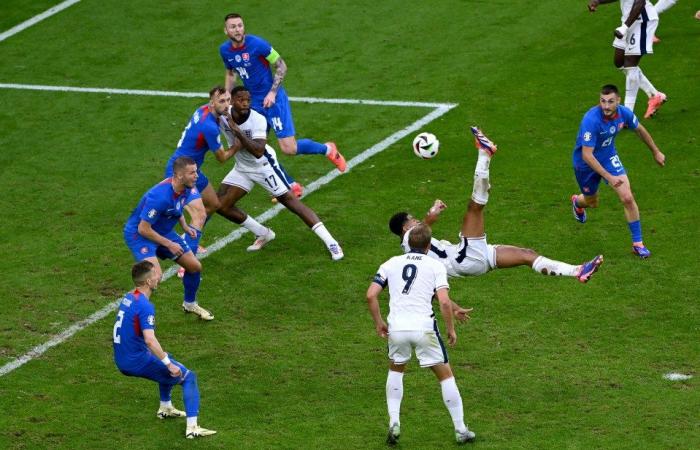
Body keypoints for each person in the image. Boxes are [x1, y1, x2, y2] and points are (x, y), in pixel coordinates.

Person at [390, 127, 604, 281]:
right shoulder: (409, 239)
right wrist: (432, 213)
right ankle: (484, 154)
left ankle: (578, 271)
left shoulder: (411, 244)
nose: (416, 221)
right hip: (462, 259)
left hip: (472, 258)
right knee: (474, 207)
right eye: (412, 220)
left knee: (526, 255)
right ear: (404, 227)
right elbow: (423, 228)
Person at [367, 223, 476, 445]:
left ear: (408, 244)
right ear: (428, 246)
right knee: (445, 375)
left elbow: (371, 295)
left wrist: (379, 323)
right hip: (424, 328)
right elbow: (443, 300)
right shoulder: (435, 266)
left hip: (397, 328)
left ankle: (394, 422)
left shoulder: (390, 263)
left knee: (396, 370)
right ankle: (461, 429)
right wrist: (451, 328)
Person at [216, 86, 344, 260]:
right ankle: (263, 233)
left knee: (291, 202)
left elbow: (258, 151)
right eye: (240, 100)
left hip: (263, 165)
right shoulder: (224, 114)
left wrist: (237, 131)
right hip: (242, 168)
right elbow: (207, 113)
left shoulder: (258, 120)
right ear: (231, 100)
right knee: (220, 205)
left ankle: (332, 243)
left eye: (248, 100)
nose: (245, 103)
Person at [219, 13, 347, 179]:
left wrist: (272, 93)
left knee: (289, 148)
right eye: (233, 27)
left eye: (240, 25)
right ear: (226, 30)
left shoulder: (258, 44)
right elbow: (230, 73)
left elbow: (281, 66)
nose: (237, 30)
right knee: (255, 147)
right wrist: (228, 95)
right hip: (252, 104)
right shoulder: (225, 50)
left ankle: (328, 150)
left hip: (274, 100)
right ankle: (289, 184)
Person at [113, 261, 216, 439]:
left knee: (167, 358)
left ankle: (166, 407)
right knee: (188, 376)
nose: (158, 276)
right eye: (154, 275)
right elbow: (150, 340)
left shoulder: (129, 297)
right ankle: (193, 428)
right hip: (136, 360)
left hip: (123, 356)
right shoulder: (145, 307)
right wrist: (168, 365)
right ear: (147, 282)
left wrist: (166, 360)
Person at [570, 84, 665, 258]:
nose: (606, 106)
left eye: (610, 102)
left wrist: (656, 151)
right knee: (592, 202)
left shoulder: (624, 113)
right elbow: (587, 155)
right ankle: (577, 202)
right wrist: (609, 177)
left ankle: (638, 244)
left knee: (627, 197)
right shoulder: (591, 120)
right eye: (603, 101)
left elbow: (640, 129)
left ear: (618, 101)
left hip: (608, 157)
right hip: (585, 164)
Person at [124, 156, 214, 320]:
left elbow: (176, 207)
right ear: (179, 175)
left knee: (194, 266)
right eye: (192, 172)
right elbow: (143, 228)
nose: (197, 176)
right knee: (153, 278)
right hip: (140, 235)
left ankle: (190, 304)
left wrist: (185, 226)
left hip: (162, 231)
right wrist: (170, 244)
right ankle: (127, 310)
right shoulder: (159, 197)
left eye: (196, 171)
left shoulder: (186, 187)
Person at [165, 86, 239, 260]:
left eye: (229, 100)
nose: (227, 105)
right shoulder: (209, 127)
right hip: (181, 174)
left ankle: (188, 239)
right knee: (199, 214)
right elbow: (221, 158)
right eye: (222, 101)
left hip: (191, 170)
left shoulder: (202, 110)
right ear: (212, 103)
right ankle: (187, 259)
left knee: (213, 204)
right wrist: (238, 145)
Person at [588, 0, 667, 118]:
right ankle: (655, 95)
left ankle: (626, 115)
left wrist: (625, 27)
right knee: (619, 62)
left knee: (630, 65)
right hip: (628, 20)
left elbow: (640, 2)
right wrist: (598, 1)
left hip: (642, 21)